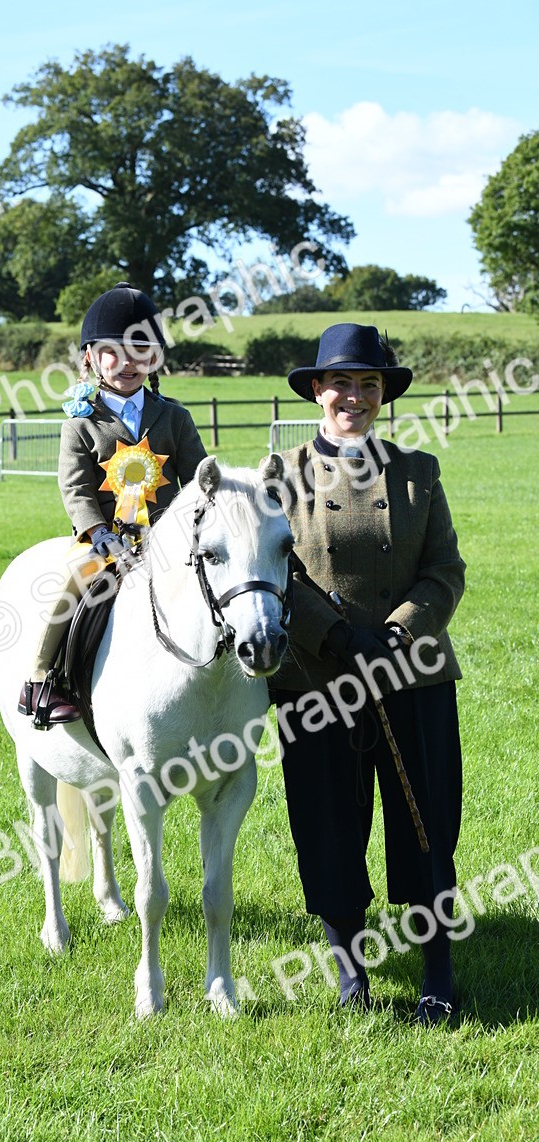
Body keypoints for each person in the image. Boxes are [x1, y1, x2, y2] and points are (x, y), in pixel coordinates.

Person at [272, 323, 466, 1025]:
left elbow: (445, 572)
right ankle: (352, 976)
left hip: (412, 677)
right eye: (340, 383)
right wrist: (335, 635)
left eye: (368, 384)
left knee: (426, 826)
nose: (352, 397)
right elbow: (273, 575)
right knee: (327, 826)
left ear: (382, 395)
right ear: (317, 390)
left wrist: (393, 634)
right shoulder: (279, 476)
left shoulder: (418, 472)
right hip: (316, 681)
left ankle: (437, 973)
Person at [18, 282, 207, 726]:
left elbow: (198, 479)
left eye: (141, 349)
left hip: (166, 540)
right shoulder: (80, 424)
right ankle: (42, 680)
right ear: (90, 357)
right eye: (113, 351)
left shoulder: (175, 417)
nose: (127, 362)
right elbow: (76, 490)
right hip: (101, 540)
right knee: (74, 577)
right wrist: (100, 535)